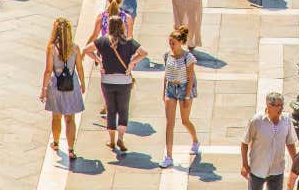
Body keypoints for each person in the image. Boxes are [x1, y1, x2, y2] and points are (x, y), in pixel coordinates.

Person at [83, 15, 146, 153]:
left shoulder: (103, 41)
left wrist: (99, 60)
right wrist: (132, 62)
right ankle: (121, 138)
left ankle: (111, 140)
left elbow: (86, 50)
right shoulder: (129, 42)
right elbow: (143, 53)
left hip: (107, 80)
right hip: (124, 81)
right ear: (122, 26)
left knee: (111, 110)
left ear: (109, 27)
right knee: (123, 110)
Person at [39, 17, 85, 161]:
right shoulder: (75, 48)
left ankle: (56, 142)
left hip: (56, 85)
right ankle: (71, 149)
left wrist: (44, 89)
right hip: (72, 85)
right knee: (70, 119)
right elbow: (79, 68)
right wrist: (83, 83)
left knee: (56, 116)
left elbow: (48, 71)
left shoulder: (52, 48)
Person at [159, 25, 200, 168]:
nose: (171, 45)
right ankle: (168, 156)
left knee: (184, 120)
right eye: (170, 42)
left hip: (183, 89)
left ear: (180, 43)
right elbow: (166, 73)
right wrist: (163, 91)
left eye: (173, 43)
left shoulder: (188, 58)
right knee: (170, 123)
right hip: (171, 88)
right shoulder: (167, 55)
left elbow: (190, 77)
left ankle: (195, 140)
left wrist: (187, 96)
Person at [241, 91, 297, 189]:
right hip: (258, 169)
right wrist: (245, 165)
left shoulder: (286, 121)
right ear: (268, 105)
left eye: (281, 105)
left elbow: (290, 143)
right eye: (277, 105)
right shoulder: (257, 121)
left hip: (277, 170)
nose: (281, 108)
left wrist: (296, 162)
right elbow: (245, 142)